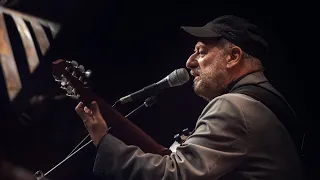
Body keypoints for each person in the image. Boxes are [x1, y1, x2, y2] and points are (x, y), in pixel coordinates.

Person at [75, 15, 304, 180]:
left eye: (201, 52)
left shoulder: (233, 106)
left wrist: (104, 141)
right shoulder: (266, 105)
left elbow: (174, 175)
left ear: (233, 56)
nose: (189, 62)